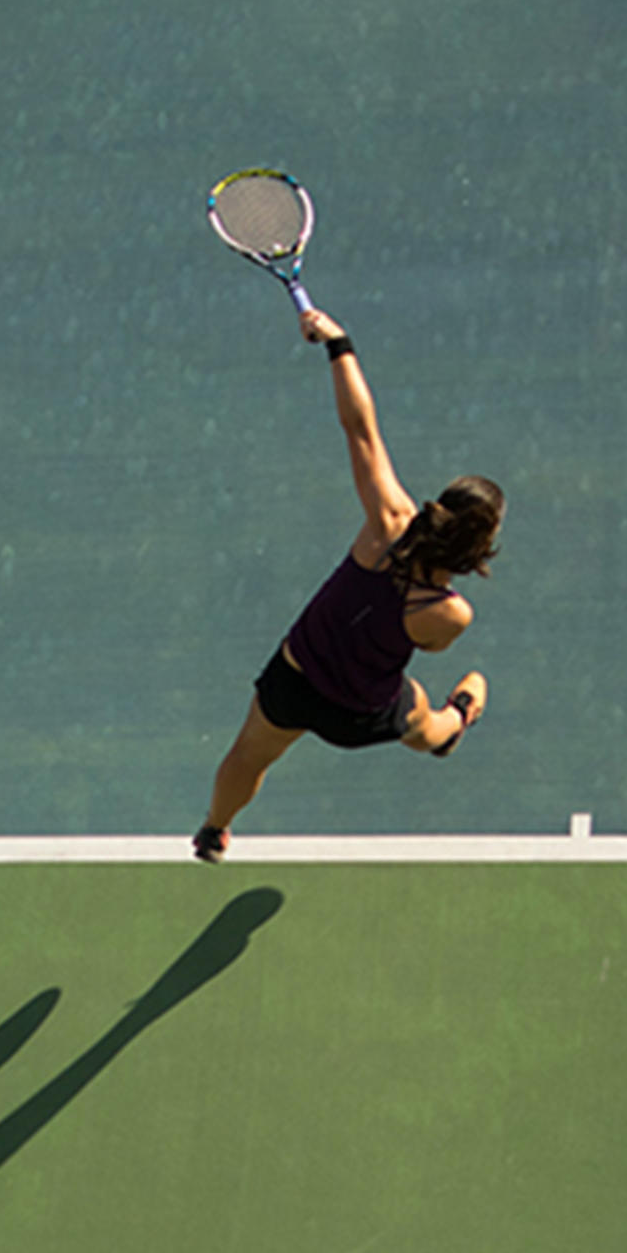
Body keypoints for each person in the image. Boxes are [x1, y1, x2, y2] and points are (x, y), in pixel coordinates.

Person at [194, 308, 502, 861]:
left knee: (248, 756)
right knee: (425, 723)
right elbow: (426, 644)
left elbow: (360, 429)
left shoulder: (388, 520)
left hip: (296, 675)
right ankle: (456, 723)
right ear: (478, 548)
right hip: (357, 712)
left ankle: (214, 831)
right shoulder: (452, 613)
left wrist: (339, 345)